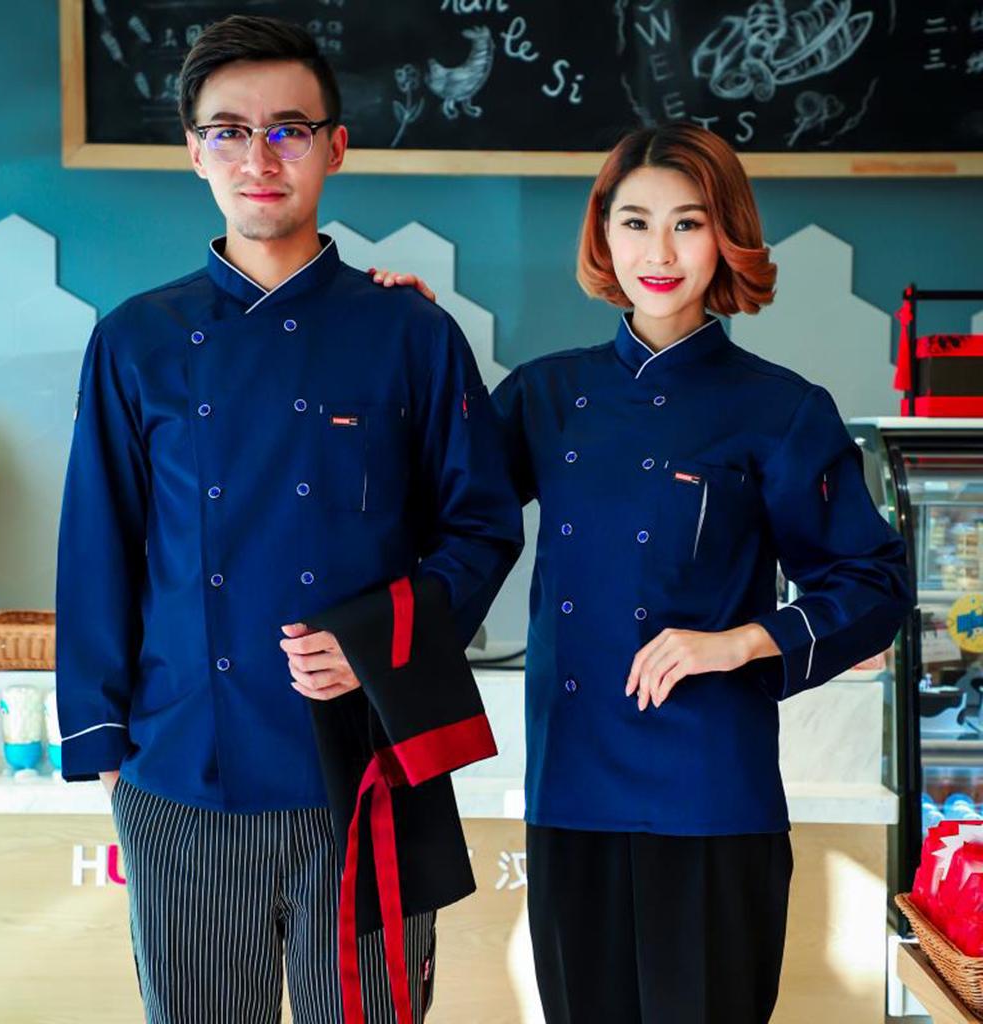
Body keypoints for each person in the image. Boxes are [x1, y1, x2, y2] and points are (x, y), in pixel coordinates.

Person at [371, 122, 913, 1024]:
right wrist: (414, 339)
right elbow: (438, 503)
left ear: (726, 235)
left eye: (687, 223)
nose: (658, 252)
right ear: (604, 236)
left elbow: (874, 584)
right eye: (635, 223)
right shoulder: (547, 394)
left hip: (712, 791)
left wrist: (739, 641)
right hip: (570, 784)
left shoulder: (781, 410)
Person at [55, 15, 522, 1024]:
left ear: (335, 146)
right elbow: (98, 546)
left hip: (365, 767)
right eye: (228, 131)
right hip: (183, 770)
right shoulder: (136, 340)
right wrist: (103, 742)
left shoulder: (410, 332)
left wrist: (377, 645)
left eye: (288, 131)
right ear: (194, 151)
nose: (259, 159)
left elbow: (482, 525)